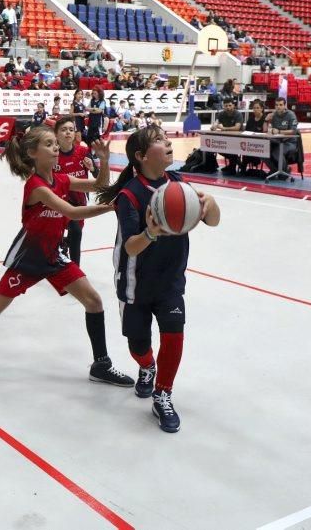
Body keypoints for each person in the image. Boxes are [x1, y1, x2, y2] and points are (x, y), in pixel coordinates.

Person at [0, 125, 134, 389]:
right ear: (33, 153)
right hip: (27, 259)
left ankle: (101, 364)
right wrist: (113, 206)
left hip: (54, 256)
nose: (56, 147)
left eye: (55, 143)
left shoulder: (62, 180)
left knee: (93, 301)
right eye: (48, 144)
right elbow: (72, 212)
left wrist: (103, 160)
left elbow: (100, 183)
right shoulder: (36, 186)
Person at [96, 127, 220, 433]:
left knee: (174, 335)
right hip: (135, 282)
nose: (168, 143)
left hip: (170, 281)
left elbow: (212, 221)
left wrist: (212, 205)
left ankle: (163, 393)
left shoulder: (180, 185)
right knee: (138, 345)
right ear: (141, 156)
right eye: (160, 141)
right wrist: (152, 232)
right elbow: (130, 246)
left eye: (167, 139)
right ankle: (147, 367)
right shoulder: (129, 195)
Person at [54, 116, 94, 266]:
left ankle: (63, 244)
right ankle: (75, 270)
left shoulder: (83, 151)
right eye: (63, 130)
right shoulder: (52, 154)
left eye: (71, 129)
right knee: (76, 231)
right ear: (56, 134)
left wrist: (93, 168)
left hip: (80, 201)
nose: (68, 133)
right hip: (59, 201)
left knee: (74, 233)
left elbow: (97, 175)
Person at [265, 97, 300, 174]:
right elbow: (264, 130)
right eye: (276, 105)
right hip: (276, 141)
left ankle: (285, 170)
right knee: (263, 150)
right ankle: (274, 170)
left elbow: (293, 131)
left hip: (289, 142)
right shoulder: (273, 115)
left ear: (285, 106)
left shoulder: (291, 115)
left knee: (277, 152)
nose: (278, 107)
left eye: (280, 105)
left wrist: (279, 131)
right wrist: (266, 120)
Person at [211, 98, 243, 174]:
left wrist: (224, 128)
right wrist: (214, 126)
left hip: (237, 140)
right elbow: (216, 123)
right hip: (225, 139)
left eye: (230, 105)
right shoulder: (221, 114)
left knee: (232, 150)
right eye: (226, 106)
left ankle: (233, 164)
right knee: (217, 147)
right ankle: (235, 161)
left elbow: (237, 127)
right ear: (223, 106)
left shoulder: (238, 114)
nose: (228, 107)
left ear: (233, 106)